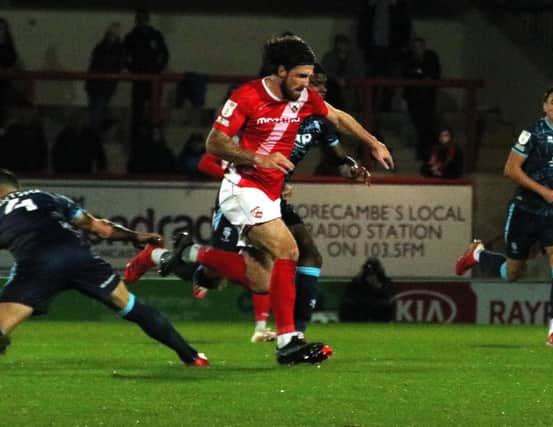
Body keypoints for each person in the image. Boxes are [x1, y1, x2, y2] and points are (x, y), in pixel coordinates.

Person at [126, 35, 393, 365]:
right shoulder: (247, 96)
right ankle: (289, 341)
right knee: (290, 250)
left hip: (269, 192)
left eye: (310, 77)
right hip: (242, 187)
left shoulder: (305, 98)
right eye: (301, 76)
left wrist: (373, 142)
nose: (308, 85)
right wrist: (258, 159)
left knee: (259, 280)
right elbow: (214, 144)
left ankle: (186, 253)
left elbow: (338, 117)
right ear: (281, 71)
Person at [194, 64, 372, 342]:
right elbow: (211, 155)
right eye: (315, 83)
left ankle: (295, 333)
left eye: (322, 84)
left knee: (307, 254)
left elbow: (339, 158)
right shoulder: (269, 110)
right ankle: (180, 255)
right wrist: (254, 162)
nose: (321, 89)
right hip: (245, 191)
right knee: (217, 276)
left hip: (273, 196)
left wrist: (352, 168)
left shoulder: (317, 120)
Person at [0, 169, 208, 366]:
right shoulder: (47, 196)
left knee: (3, 324)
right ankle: (191, 357)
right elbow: (99, 227)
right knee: (131, 306)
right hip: (78, 255)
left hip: (37, 263)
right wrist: (135, 236)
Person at [455, 84, 553, 347]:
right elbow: (510, 169)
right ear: (545, 106)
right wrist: (545, 192)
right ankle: (478, 254)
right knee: (513, 272)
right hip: (525, 210)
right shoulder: (533, 133)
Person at [123, 9, 169, 140]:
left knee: (154, 108)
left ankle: (154, 135)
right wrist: (134, 70)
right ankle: (137, 136)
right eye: (140, 19)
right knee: (138, 108)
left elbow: (164, 54)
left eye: (144, 19)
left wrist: (158, 69)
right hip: (140, 78)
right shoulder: (131, 37)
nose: (142, 21)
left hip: (153, 77)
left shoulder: (155, 35)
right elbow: (125, 57)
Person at [402, 36, 441, 157]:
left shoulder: (431, 57)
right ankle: (422, 152)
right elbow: (407, 74)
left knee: (428, 125)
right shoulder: (409, 58)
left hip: (428, 99)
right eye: (415, 48)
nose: (418, 50)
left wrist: (422, 76)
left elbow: (434, 74)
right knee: (419, 125)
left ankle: (426, 153)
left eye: (420, 47)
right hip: (413, 99)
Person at [85, 22, 127, 132]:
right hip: (99, 84)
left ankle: (93, 135)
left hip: (101, 85)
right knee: (95, 112)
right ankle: (94, 135)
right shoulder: (107, 47)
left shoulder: (105, 47)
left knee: (96, 112)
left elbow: (97, 64)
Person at [339, 257, 394, 322]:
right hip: (361, 304)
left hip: (377, 304)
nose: (371, 274)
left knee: (386, 306)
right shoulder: (357, 281)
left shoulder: (385, 281)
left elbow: (388, 295)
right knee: (347, 305)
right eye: (368, 272)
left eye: (373, 272)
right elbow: (349, 294)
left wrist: (377, 286)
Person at [320, 34, 365, 111]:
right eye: (340, 44)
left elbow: (358, 72)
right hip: (332, 86)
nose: (342, 46)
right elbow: (325, 71)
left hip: (349, 86)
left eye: (344, 44)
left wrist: (347, 79)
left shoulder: (354, 58)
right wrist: (337, 79)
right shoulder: (330, 57)